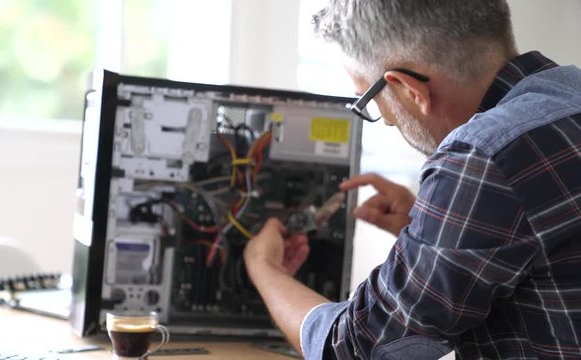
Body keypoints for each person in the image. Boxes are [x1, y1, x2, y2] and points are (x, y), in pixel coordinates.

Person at [243, 0, 581, 359]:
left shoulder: (484, 157)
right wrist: (429, 228)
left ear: (408, 88)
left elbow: (353, 349)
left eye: (368, 101)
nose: (386, 119)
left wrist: (262, 267)